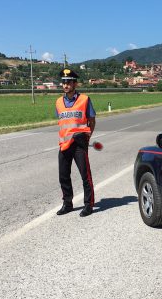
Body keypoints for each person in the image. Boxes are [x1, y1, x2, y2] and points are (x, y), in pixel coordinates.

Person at [55, 68, 96, 217]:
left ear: (75, 84)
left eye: (68, 82)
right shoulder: (58, 102)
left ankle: (89, 204)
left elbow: (91, 120)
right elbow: (62, 122)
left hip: (79, 143)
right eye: (63, 82)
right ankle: (67, 203)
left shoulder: (85, 99)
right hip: (64, 144)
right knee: (63, 176)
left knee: (86, 175)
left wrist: (87, 137)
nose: (65, 85)